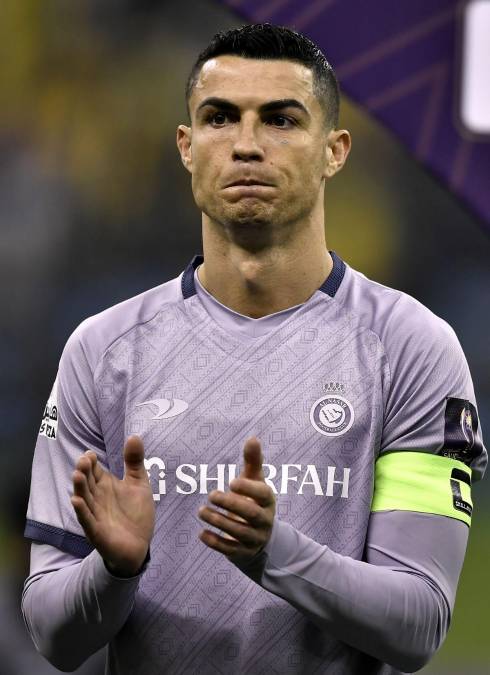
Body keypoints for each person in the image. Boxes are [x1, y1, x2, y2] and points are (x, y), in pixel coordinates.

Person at [22, 22, 486, 675]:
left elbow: (419, 623)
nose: (246, 144)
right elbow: (52, 634)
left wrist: (277, 554)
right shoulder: (101, 351)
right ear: (186, 147)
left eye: (280, 120)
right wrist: (114, 569)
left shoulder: (411, 349)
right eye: (219, 118)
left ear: (334, 151)